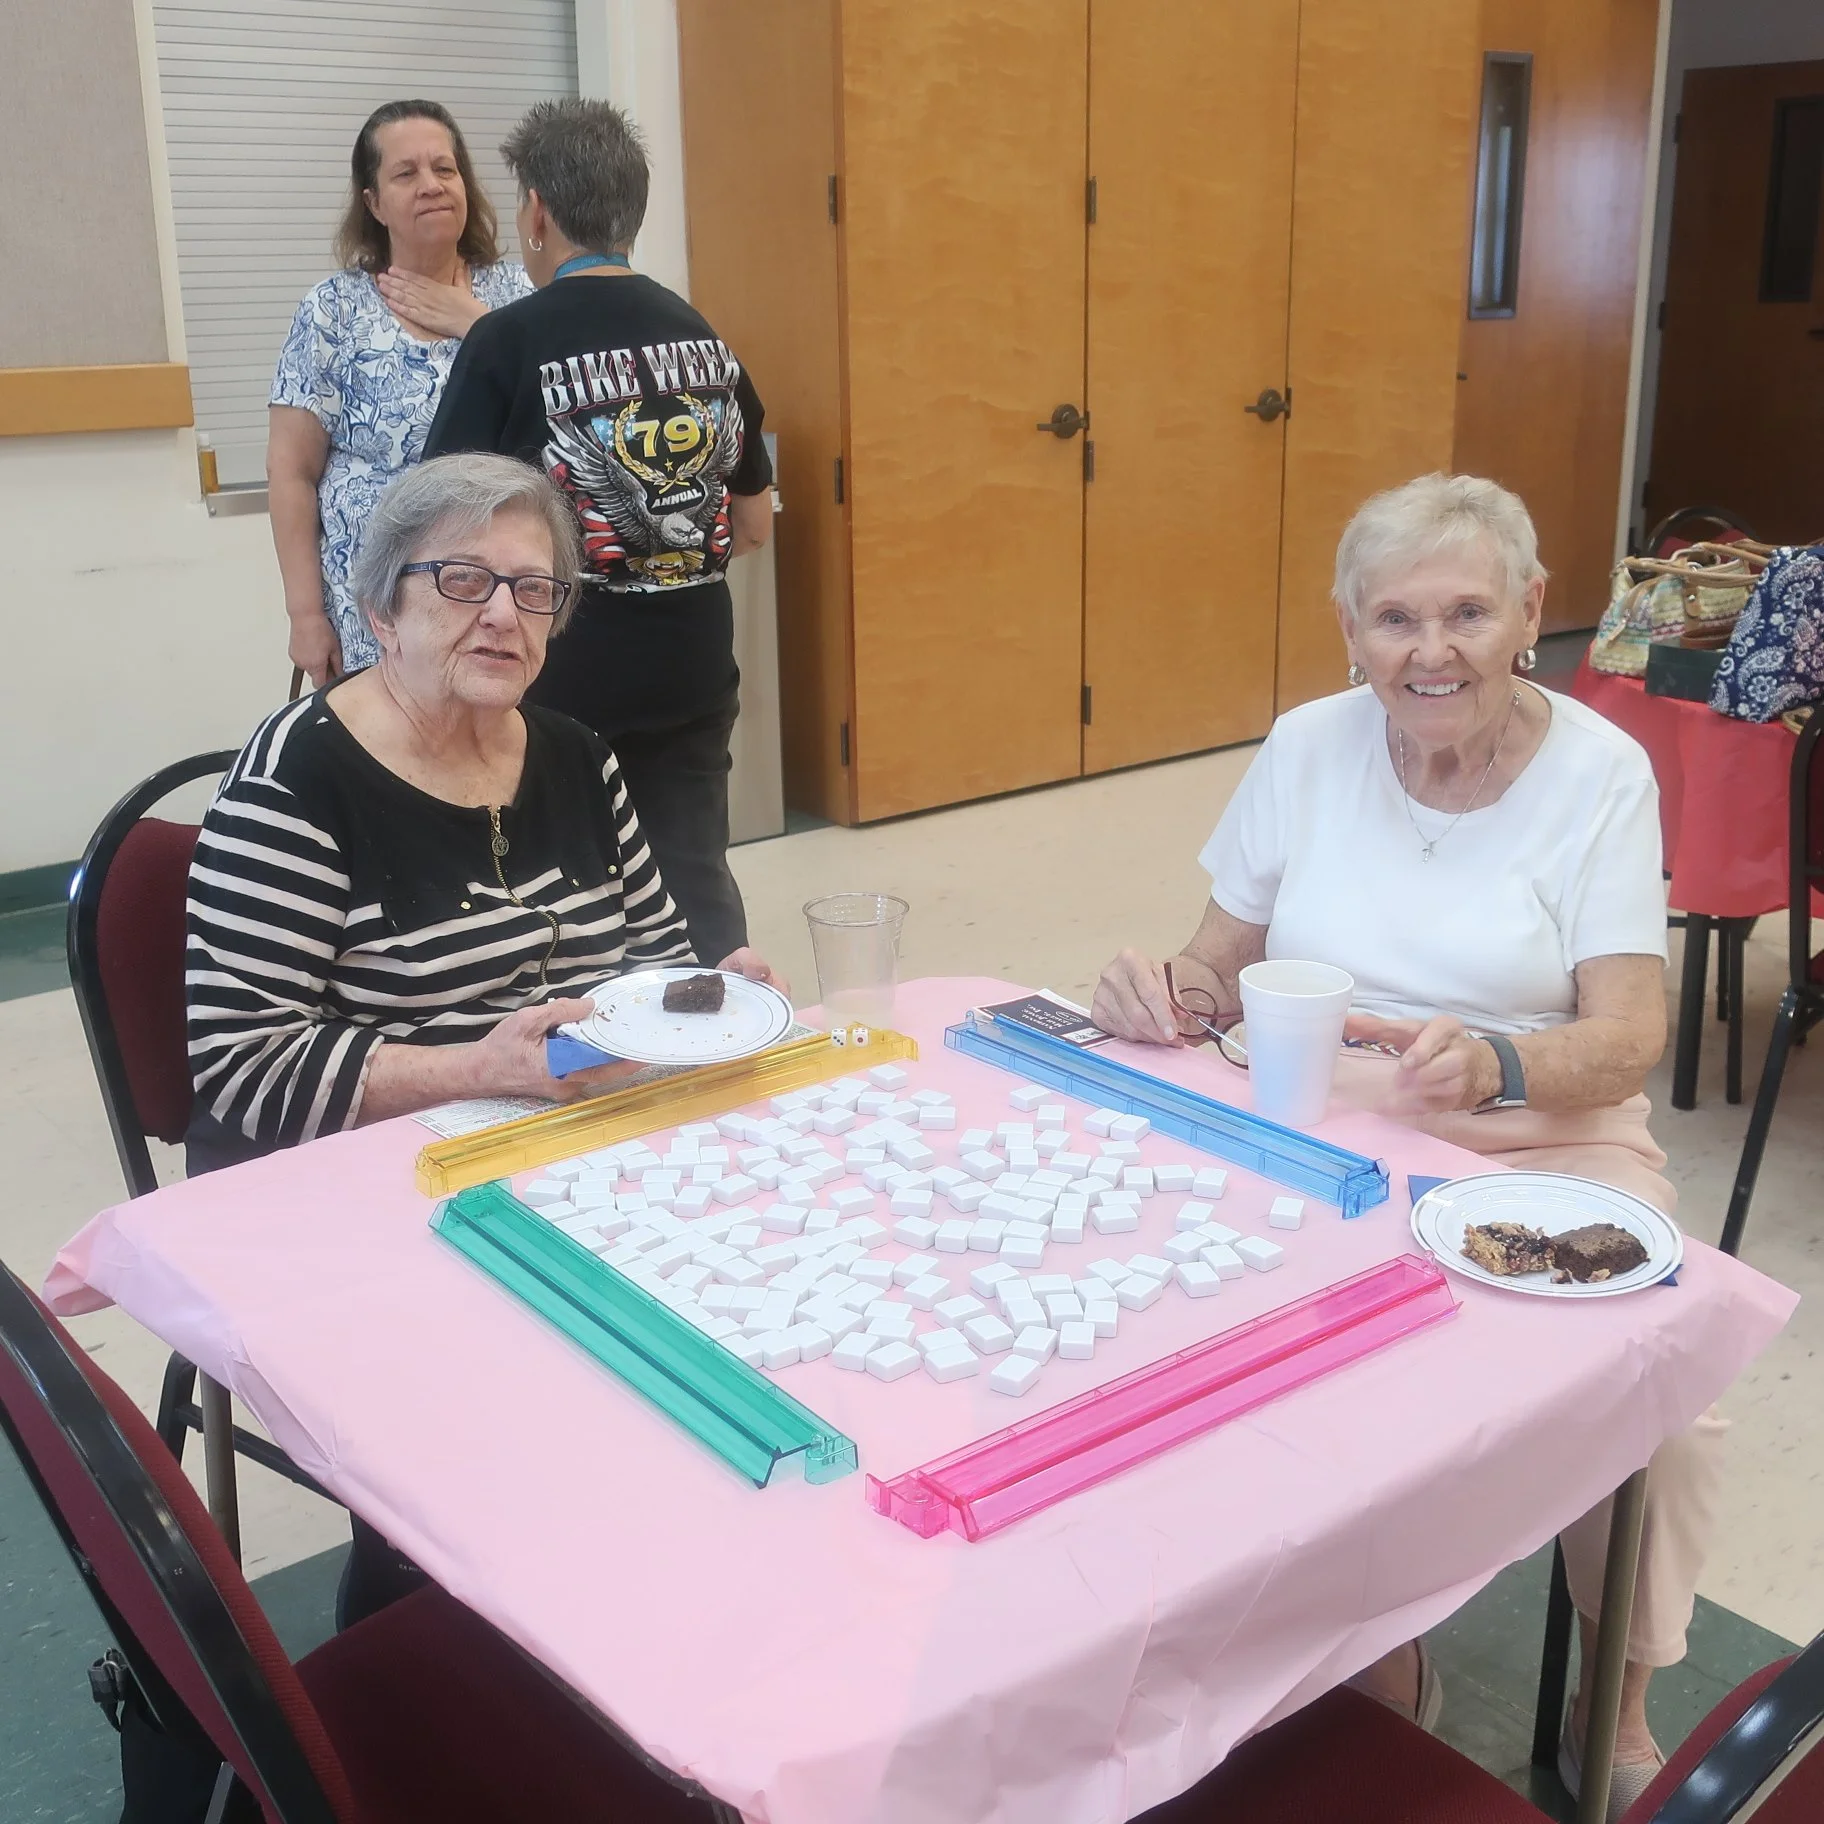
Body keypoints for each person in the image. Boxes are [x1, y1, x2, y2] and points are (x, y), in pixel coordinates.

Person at [1092, 473, 1717, 1821]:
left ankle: (1616, 1694)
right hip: (1323, 1115)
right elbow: (1219, 959)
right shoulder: (1308, 744)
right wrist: (1170, 991)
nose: (1430, 653)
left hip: (1536, 1123)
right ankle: (1364, 1648)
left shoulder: (1601, 773)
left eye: (1468, 613)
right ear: (1349, 630)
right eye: (1394, 620)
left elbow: (1627, 1033)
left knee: (1671, 1387)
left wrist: (1497, 1059)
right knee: (1218, 1331)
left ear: (1531, 613)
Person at [424, 98, 773, 970]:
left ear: (537, 211)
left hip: (560, 673)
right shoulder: (705, 339)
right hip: (694, 661)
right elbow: (757, 519)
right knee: (693, 874)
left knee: (556, 880)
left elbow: (438, 516)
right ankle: (722, 1036)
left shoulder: (506, 341)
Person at [269, 99, 532, 688]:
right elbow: (291, 472)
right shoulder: (332, 311)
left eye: (445, 168)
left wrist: (478, 326)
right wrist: (305, 616)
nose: (431, 186)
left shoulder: (520, 298)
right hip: (374, 614)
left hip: (498, 606)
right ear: (372, 202)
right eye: (406, 173)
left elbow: (557, 425)